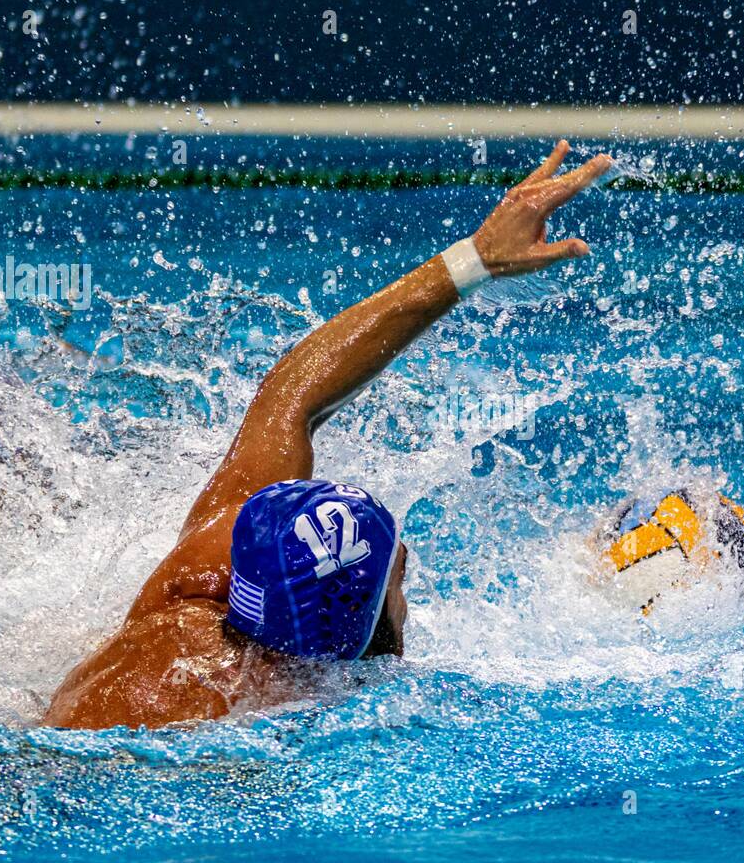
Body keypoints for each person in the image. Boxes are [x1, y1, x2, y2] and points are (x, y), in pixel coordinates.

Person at [43, 141, 613, 730]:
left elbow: (292, 396)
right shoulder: (192, 714)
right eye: (398, 572)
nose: (408, 561)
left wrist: (476, 259)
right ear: (352, 637)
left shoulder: (226, 562)